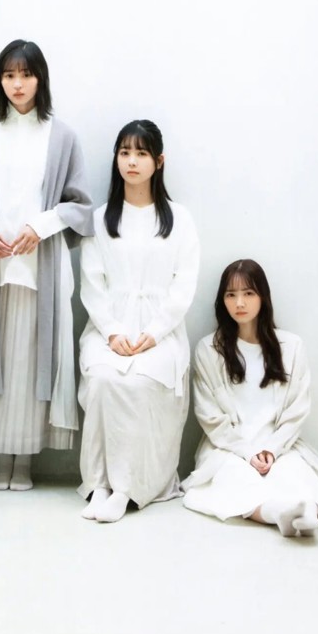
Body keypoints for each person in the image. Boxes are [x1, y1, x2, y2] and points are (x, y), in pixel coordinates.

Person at [0, 39, 93, 491]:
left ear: (40, 78)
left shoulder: (62, 136)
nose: (17, 84)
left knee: (30, 360)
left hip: (39, 267)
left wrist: (42, 225)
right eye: (9, 75)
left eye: (25, 74)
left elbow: (81, 206)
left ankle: (24, 463)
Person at [78, 119, 199, 522]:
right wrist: (112, 333)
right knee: (102, 379)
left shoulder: (179, 219)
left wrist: (152, 333)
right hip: (108, 327)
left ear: (158, 161)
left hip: (160, 332)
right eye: (125, 152)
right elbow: (92, 284)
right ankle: (98, 484)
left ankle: (130, 487)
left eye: (141, 153)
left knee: (144, 384)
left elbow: (184, 286)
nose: (131, 161)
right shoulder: (99, 219)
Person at [182, 259, 318, 536]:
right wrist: (247, 453)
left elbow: (297, 411)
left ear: (263, 297)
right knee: (234, 479)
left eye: (248, 293)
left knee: (295, 474)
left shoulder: (291, 346)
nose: (239, 303)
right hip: (229, 447)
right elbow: (209, 416)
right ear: (222, 301)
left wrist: (271, 449)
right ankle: (279, 515)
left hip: (281, 445)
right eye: (230, 295)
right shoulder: (209, 349)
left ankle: (299, 512)